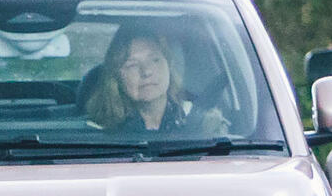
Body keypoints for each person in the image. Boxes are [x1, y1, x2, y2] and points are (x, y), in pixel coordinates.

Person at [85, 28, 228, 134]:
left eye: (155, 60)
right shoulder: (97, 131)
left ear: (169, 65)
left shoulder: (200, 120)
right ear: (116, 76)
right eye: (132, 64)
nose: (146, 71)